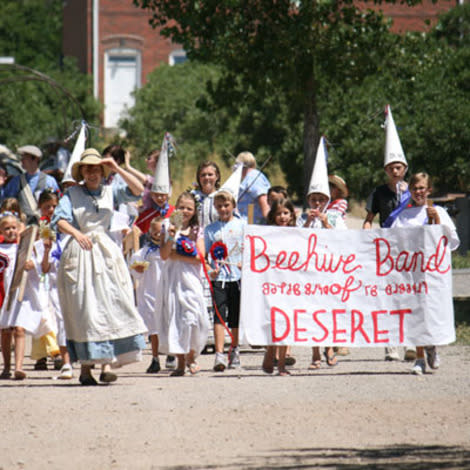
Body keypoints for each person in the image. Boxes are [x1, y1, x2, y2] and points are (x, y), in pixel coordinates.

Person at [51, 148, 147, 386]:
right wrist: (76, 233)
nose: (92, 173)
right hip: (81, 252)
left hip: (106, 253)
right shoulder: (72, 193)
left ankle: (106, 365)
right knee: (85, 308)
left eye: (96, 169)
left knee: (111, 304)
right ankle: (85, 368)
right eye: (88, 169)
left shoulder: (110, 190)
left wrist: (117, 168)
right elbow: (58, 219)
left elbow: (139, 190)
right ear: (82, 171)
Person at [391, 172, 460, 375]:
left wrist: (436, 220)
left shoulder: (438, 211)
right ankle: (420, 356)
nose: (419, 192)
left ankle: (432, 346)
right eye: (415, 188)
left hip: (432, 275)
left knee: (431, 312)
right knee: (415, 314)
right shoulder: (403, 215)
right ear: (410, 191)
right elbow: (392, 241)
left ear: (429, 190)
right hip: (411, 275)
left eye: (422, 188)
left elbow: (451, 241)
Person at [362, 105, 415, 362]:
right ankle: (391, 345)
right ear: (386, 170)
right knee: (390, 298)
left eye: (399, 167)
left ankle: (411, 343)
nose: (395, 171)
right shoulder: (379, 193)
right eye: (391, 167)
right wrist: (365, 238)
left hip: (410, 250)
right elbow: (369, 219)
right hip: (387, 250)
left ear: (405, 168)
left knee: (411, 294)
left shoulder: (412, 193)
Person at [156, 192, 209, 376]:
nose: (185, 211)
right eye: (181, 207)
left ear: (194, 211)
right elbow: (164, 255)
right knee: (176, 316)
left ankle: (192, 355)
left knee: (194, 315)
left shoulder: (197, 229)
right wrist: (171, 237)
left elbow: (200, 257)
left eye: (189, 208)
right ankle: (180, 361)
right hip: (172, 277)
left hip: (191, 278)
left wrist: (177, 255)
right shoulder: (167, 226)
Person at [34, 189, 73, 379]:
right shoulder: (42, 229)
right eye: (47, 207)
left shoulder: (67, 230)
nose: (51, 210)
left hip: (67, 280)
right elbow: (44, 267)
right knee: (49, 317)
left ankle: (69, 353)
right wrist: (46, 250)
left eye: (54, 206)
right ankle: (55, 352)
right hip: (49, 283)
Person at [205, 189, 245, 372]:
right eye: (219, 206)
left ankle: (234, 350)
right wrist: (209, 270)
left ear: (233, 206)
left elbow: (251, 250)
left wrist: (245, 264)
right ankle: (219, 354)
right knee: (219, 315)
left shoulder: (243, 225)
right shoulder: (210, 229)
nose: (223, 209)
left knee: (235, 316)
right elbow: (204, 256)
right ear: (215, 207)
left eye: (226, 205)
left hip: (237, 277)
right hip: (219, 277)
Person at [262, 198, 297, 376]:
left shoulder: (298, 234)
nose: (282, 217)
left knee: (287, 322)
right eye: (278, 213)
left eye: (285, 213)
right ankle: (270, 351)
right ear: (273, 216)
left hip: (290, 285)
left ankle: (282, 364)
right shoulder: (268, 234)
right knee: (273, 322)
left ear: (292, 215)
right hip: (272, 284)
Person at [129, 217, 167, 374]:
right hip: (151, 291)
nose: (158, 234)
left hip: (167, 289)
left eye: (161, 231)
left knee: (170, 323)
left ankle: (173, 355)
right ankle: (155, 358)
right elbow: (134, 266)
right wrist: (137, 270)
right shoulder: (144, 252)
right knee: (154, 328)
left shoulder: (170, 249)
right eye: (155, 231)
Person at [3, 145, 60, 224]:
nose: (21, 161)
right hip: (23, 225)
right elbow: (6, 202)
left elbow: (57, 204)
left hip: (45, 224)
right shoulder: (16, 181)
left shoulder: (49, 181)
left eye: (24, 158)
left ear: (35, 159)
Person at [236, 152, 270, 224]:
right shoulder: (249, 177)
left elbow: (263, 199)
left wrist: (269, 221)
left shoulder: (253, 177)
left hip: (254, 226)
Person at [192, 160, 221, 228]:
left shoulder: (223, 197)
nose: (206, 177)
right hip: (195, 236)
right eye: (203, 175)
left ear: (217, 176)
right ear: (199, 177)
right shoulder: (192, 196)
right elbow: (179, 218)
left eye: (210, 174)